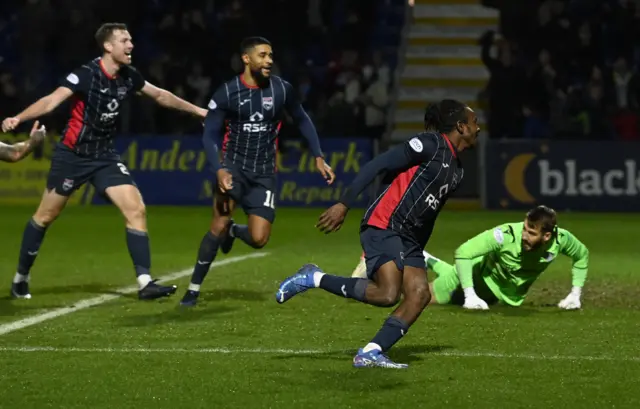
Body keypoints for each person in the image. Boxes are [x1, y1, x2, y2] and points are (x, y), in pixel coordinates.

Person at [3, 23, 207, 300]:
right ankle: (21, 278)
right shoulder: (85, 75)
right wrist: (19, 118)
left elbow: (160, 95)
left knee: (135, 209)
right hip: (72, 156)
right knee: (45, 216)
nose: (131, 45)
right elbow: (52, 101)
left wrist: (199, 111)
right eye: (125, 40)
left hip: (104, 156)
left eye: (131, 39)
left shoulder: (128, 76)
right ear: (108, 47)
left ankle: (145, 282)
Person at [275, 99, 480, 368]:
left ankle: (371, 352)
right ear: (461, 126)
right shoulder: (430, 144)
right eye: (475, 122)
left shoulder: (457, 171)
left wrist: (416, 251)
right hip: (386, 224)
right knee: (387, 294)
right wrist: (344, 203)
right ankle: (313, 278)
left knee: (419, 295)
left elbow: (429, 213)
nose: (479, 128)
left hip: (411, 239)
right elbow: (379, 165)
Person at [180, 36, 335, 306]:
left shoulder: (281, 89)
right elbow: (210, 136)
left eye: (271, 55)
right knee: (217, 225)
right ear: (246, 59)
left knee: (259, 238)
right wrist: (218, 169)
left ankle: (234, 232)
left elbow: (302, 119)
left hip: (264, 174)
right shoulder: (227, 93)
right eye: (263, 55)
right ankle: (193, 289)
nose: (269, 61)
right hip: (233, 169)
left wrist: (318, 156)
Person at [426, 205, 588, 310]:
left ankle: (428, 259)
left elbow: (582, 255)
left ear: (546, 236)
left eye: (531, 233)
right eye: (524, 229)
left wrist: (575, 294)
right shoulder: (505, 235)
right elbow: (463, 253)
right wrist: (470, 295)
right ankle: (414, 259)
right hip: (469, 281)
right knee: (420, 296)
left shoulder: (561, 239)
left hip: (503, 296)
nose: (524, 236)